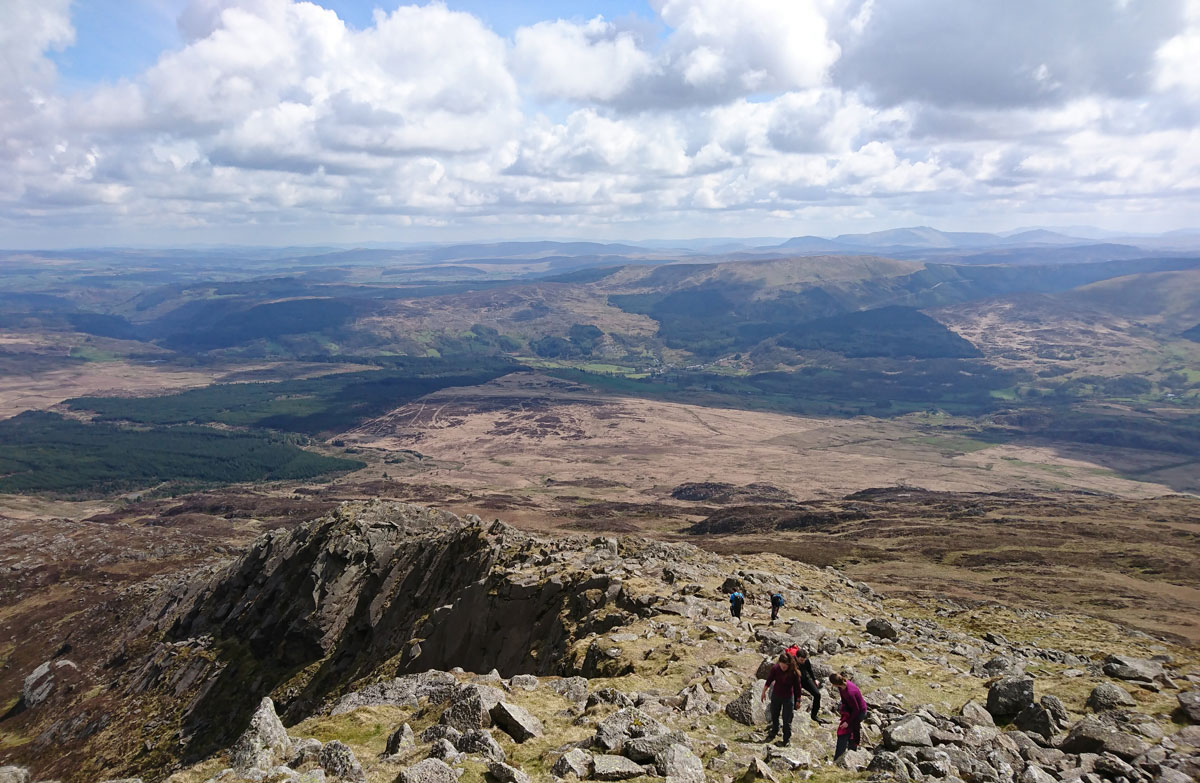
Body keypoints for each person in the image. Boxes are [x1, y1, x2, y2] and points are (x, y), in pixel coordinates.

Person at [760, 652, 803, 746]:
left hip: (788, 697)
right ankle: (774, 730)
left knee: (787, 719)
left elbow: (798, 687)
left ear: (789, 665)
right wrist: (763, 692)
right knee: (774, 714)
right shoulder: (775, 668)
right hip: (776, 695)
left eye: (785, 666)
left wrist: (798, 700)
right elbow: (769, 680)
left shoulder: (794, 673)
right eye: (782, 665)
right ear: (779, 663)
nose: (783, 667)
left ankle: (786, 739)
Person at [830, 672, 868, 759]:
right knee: (849, 731)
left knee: (846, 731)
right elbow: (844, 700)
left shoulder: (851, 692)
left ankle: (846, 756)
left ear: (835, 684)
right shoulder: (841, 687)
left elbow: (857, 710)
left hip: (859, 712)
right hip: (852, 710)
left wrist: (848, 722)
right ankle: (849, 754)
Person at [783, 646, 825, 723]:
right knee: (794, 699)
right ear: (796, 657)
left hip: (805, 679)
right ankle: (791, 717)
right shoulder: (791, 661)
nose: (803, 661)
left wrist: (814, 679)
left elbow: (809, 670)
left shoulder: (806, 661)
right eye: (801, 660)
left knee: (817, 694)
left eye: (804, 660)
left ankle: (814, 715)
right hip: (794, 681)